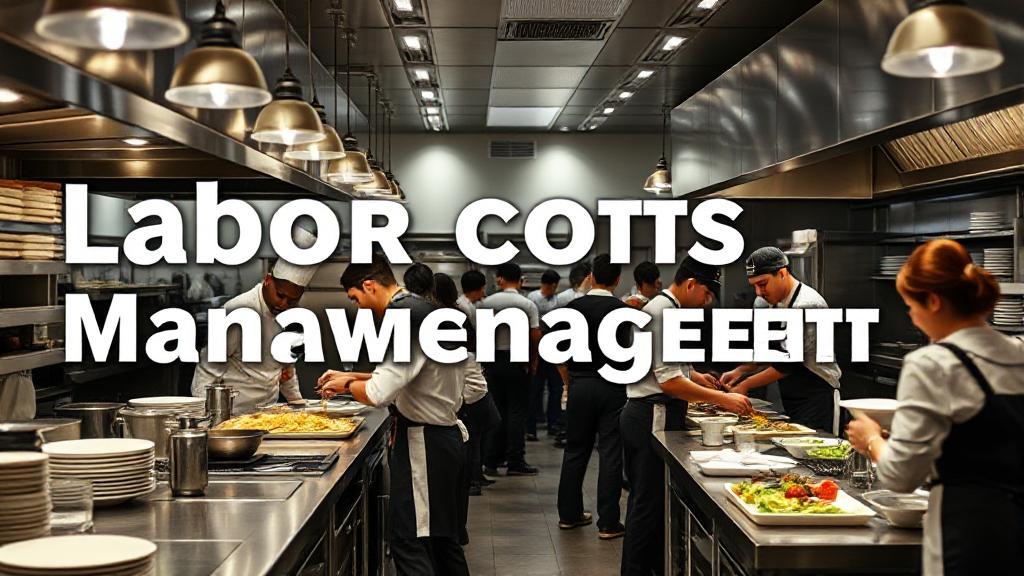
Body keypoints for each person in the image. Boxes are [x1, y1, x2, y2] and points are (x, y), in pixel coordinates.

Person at [846, 240, 1024, 576]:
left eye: (910, 306)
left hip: (970, 538)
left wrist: (872, 440)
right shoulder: (1018, 353)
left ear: (933, 300)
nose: (912, 317)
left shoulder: (933, 364)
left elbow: (899, 476)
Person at [317, 253, 469, 576]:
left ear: (369, 285)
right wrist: (349, 377)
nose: (359, 307)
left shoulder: (402, 318)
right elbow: (407, 378)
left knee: (409, 543)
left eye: (356, 298)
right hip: (443, 439)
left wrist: (347, 385)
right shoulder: (426, 311)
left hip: (423, 446)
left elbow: (378, 392)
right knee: (441, 543)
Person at [620, 256, 752, 576]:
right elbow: (668, 382)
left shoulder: (669, 311)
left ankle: (651, 567)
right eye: (706, 295)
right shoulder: (663, 314)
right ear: (691, 284)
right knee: (647, 504)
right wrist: (722, 399)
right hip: (652, 413)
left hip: (656, 411)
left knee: (653, 501)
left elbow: (674, 370)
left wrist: (697, 376)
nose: (707, 303)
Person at [191, 228, 319, 413]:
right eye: (280, 295)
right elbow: (207, 372)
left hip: (268, 415)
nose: (283, 304)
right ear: (268, 280)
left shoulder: (293, 315)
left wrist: (299, 406)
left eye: (292, 300)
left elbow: (287, 371)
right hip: (233, 417)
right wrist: (202, 419)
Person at [721, 246, 842, 433]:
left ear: (782, 273)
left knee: (816, 455)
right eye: (754, 285)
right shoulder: (762, 303)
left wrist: (745, 384)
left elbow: (787, 365)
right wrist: (741, 370)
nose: (758, 292)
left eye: (762, 284)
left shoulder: (808, 305)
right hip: (790, 394)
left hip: (817, 396)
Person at [555, 254, 629, 540]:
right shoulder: (620, 310)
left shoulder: (572, 308)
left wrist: (568, 383)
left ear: (591, 276)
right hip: (612, 387)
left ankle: (569, 515)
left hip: (580, 384)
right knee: (611, 452)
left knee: (575, 450)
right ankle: (609, 523)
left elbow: (559, 355)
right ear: (617, 279)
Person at [477, 262, 542, 476]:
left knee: (496, 411)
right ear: (520, 279)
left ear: (501, 279)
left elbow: (480, 337)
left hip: (493, 361)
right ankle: (515, 460)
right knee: (517, 413)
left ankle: (492, 461)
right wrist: (533, 362)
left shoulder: (486, 303)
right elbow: (535, 336)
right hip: (518, 362)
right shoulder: (527, 304)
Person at [527, 269, 563, 441]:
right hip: (537, 348)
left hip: (554, 348)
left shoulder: (558, 299)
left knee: (556, 388)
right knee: (535, 389)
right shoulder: (532, 299)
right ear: (548, 284)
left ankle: (553, 425)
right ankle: (531, 427)